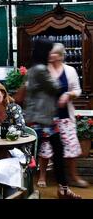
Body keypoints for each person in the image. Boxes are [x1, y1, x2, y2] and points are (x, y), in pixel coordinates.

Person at [25, 38, 81, 199]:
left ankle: (62, 188)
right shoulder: (41, 69)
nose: (52, 53)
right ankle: (54, 189)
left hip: (45, 118)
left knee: (51, 152)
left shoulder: (33, 69)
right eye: (49, 50)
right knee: (38, 155)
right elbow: (55, 87)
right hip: (43, 120)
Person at [37, 43, 88, 188]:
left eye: (52, 53)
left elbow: (78, 90)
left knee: (71, 146)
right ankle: (42, 176)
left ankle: (74, 177)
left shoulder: (70, 70)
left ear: (59, 55)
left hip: (66, 117)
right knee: (45, 148)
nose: (49, 55)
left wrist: (69, 94)